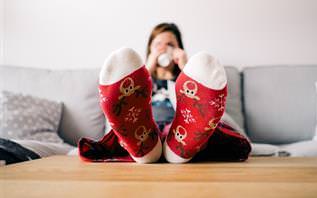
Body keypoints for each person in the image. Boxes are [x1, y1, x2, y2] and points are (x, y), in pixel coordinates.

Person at [78, 23, 251, 164]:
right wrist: (148, 68)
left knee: (205, 127)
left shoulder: (191, 82)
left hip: (185, 128)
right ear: (149, 51)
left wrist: (186, 67)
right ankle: (152, 148)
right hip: (141, 127)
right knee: (128, 129)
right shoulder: (137, 80)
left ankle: (171, 148)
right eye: (158, 45)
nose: (164, 49)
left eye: (170, 45)